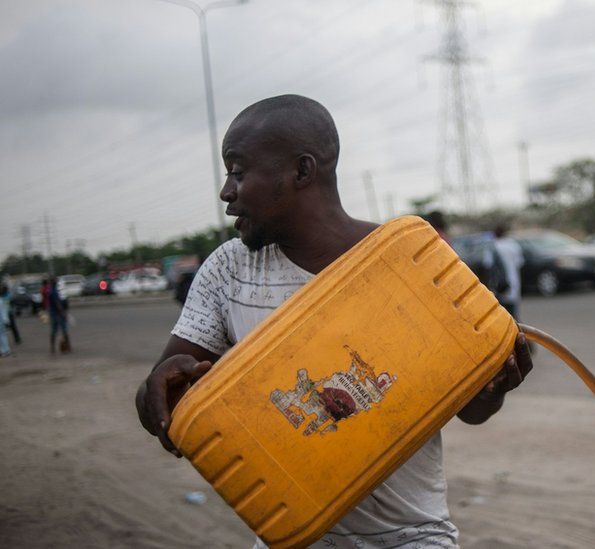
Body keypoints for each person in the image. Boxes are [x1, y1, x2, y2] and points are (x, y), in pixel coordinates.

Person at [134, 94, 533, 549]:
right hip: (293, 536)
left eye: (238, 172)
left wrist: (496, 385)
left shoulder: (408, 267)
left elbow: (473, 411)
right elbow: (162, 408)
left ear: (302, 171)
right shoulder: (229, 271)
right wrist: (158, 390)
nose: (227, 192)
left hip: (411, 537)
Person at [491, 223, 524, 321]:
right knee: (514, 313)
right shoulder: (513, 245)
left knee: (503, 316)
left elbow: (488, 266)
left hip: (500, 287)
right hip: (514, 283)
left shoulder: (493, 247)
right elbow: (520, 263)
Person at [47, 277, 71, 354]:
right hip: (57, 314)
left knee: (54, 331)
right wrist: (63, 313)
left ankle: (52, 348)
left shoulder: (52, 291)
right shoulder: (54, 292)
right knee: (64, 330)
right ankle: (68, 347)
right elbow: (58, 304)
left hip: (53, 313)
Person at [0, 283, 11, 357]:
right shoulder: (2, 300)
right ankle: (5, 350)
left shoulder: (1, 300)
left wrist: (5, 320)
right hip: (3, 321)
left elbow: (3, 311)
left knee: (2, 336)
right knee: (3, 336)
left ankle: (4, 351)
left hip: (1, 321)